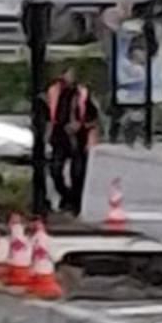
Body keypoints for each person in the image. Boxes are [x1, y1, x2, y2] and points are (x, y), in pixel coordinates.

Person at [46, 64, 100, 217]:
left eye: (69, 73)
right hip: (59, 136)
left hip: (79, 138)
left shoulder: (83, 93)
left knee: (77, 174)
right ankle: (66, 196)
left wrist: (79, 124)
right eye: (65, 73)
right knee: (55, 170)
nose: (66, 77)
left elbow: (93, 116)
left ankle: (75, 205)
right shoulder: (54, 90)